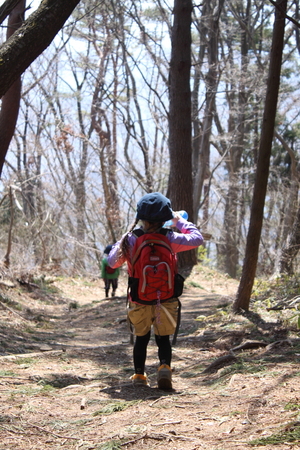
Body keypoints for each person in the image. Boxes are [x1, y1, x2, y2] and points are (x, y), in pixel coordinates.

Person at [107, 192, 203, 390]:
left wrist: (123, 238)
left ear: (140, 217)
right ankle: (164, 367)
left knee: (141, 338)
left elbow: (112, 262)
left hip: (139, 299)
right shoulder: (170, 238)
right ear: (165, 217)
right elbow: (197, 239)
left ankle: (140, 375)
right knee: (163, 338)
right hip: (166, 298)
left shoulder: (132, 239)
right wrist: (179, 222)